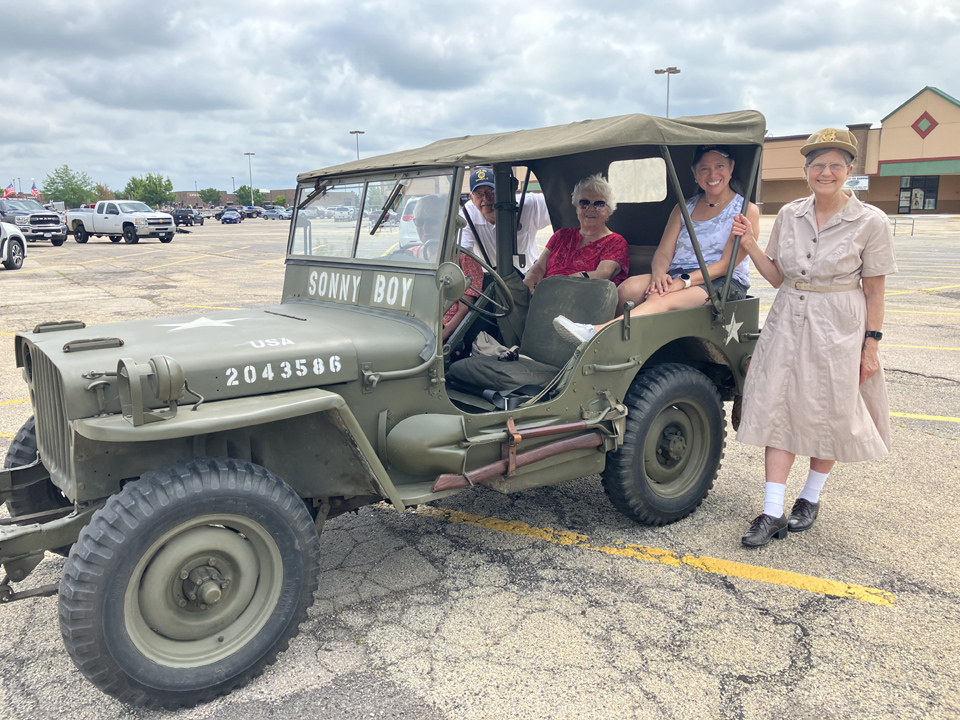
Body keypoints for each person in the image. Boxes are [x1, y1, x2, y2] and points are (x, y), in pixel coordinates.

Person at [734, 128, 897, 547]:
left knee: (830, 410)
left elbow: (874, 291)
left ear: (849, 169)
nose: (826, 172)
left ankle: (809, 497)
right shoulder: (790, 214)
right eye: (818, 164)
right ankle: (772, 511)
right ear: (806, 170)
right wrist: (750, 244)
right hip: (788, 318)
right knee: (778, 407)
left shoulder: (871, 221)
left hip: (840, 323)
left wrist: (871, 344)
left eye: (835, 165)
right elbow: (777, 276)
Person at [553, 145, 758, 345]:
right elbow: (663, 253)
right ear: (695, 172)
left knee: (660, 298)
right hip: (679, 274)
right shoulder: (684, 208)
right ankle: (622, 346)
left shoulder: (744, 210)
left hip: (723, 282)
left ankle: (596, 334)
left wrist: (682, 282)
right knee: (628, 289)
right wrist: (659, 275)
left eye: (720, 166)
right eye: (704, 168)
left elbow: (726, 265)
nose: (712, 174)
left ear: (731, 167)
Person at [522, 173, 629, 296]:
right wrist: (529, 279)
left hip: (582, 299)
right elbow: (539, 267)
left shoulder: (615, 242)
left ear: (608, 212)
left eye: (599, 204)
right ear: (577, 208)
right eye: (584, 203)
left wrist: (568, 281)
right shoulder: (561, 235)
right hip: (543, 294)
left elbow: (604, 273)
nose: (591, 208)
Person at [410, 195, 484, 341]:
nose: (424, 228)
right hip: (411, 328)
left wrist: (441, 336)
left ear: (446, 224)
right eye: (419, 222)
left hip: (441, 336)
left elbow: (464, 309)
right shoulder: (410, 255)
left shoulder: (464, 260)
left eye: (431, 221)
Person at [461, 167, 552, 274]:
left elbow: (560, 205)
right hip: (493, 278)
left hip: (529, 275)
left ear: (502, 192)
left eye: (491, 191)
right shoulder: (468, 214)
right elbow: (464, 253)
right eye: (479, 193)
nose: (485, 198)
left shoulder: (529, 204)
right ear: (472, 198)